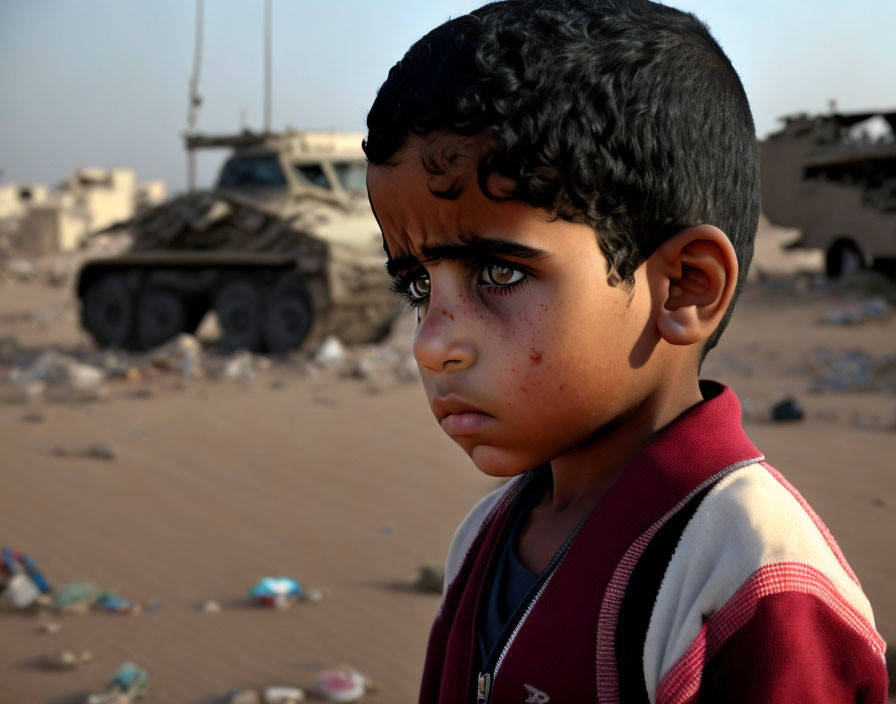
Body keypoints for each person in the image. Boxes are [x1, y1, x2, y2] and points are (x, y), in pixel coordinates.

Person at [363, 1, 888, 701]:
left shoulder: (753, 577)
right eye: (418, 284)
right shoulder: (484, 535)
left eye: (500, 273)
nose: (433, 344)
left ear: (684, 288)